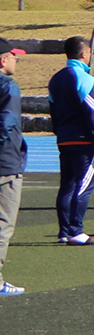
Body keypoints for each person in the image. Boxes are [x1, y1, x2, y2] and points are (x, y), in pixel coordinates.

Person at [46, 36, 94, 246]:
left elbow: (53, 111)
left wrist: (60, 132)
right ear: (84, 54)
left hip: (64, 139)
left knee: (67, 185)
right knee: (83, 186)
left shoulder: (55, 79)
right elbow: (92, 112)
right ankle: (76, 231)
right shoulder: (84, 78)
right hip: (84, 140)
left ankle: (64, 231)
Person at [0, 48, 25, 294]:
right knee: (3, 223)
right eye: (14, 57)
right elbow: (7, 122)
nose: (16, 62)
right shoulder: (8, 86)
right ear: (3, 59)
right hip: (5, 163)